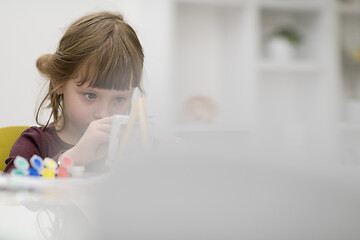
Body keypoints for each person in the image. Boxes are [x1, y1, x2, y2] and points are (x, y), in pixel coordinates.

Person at [3, 11, 144, 173]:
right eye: (90, 95)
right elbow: (15, 191)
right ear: (59, 81)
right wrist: (72, 158)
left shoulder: (137, 144)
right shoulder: (35, 143)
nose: (104, 114)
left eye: (119, 99)